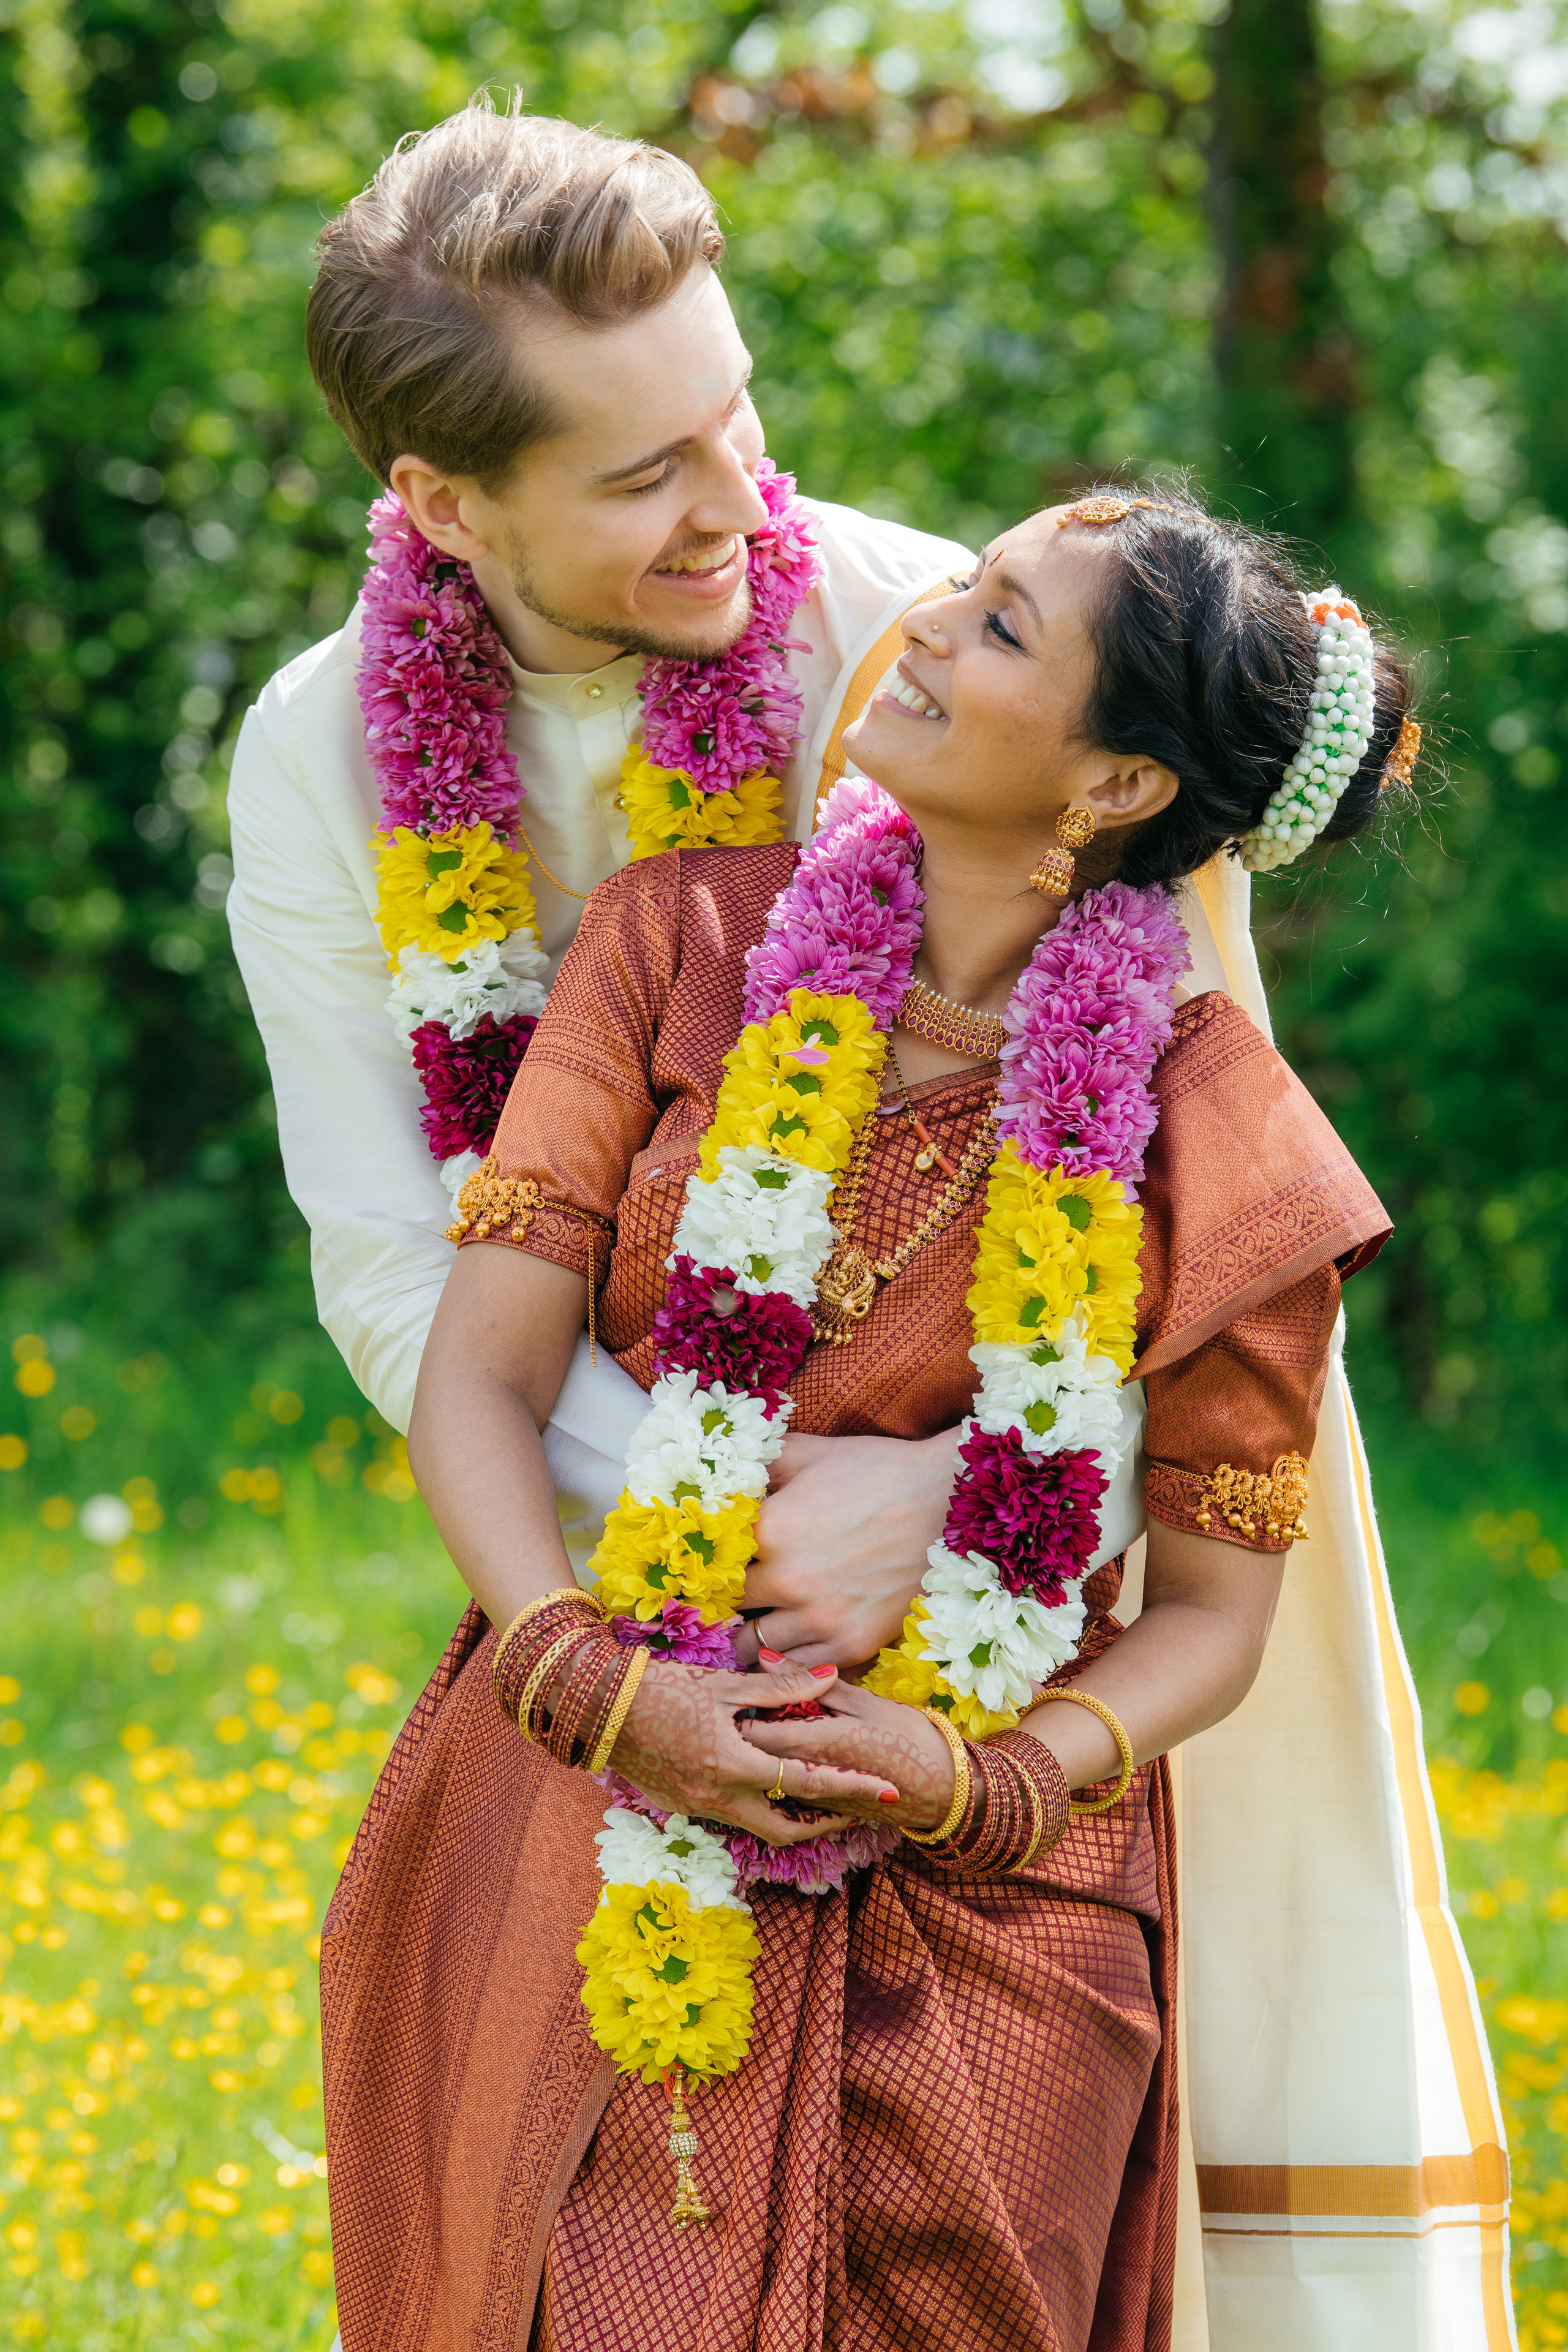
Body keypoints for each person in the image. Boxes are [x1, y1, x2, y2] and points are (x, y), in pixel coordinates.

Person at [315, 492, 1507, 2351]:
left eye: (1007, 627)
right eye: (964, 588)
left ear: (1113, 790)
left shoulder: (1228, 1143)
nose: (932, 629)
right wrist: (586, 1672)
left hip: (982, 1903)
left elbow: (1217, 1610)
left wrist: (982, 1780)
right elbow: (482, 1372)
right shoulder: (677, 943)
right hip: (599, 1774)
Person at [224, 96, 974, 1618]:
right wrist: (703, 1513)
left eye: (736, 410)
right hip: (621, 1570)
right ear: (442, 504)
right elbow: (390, 1258)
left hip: (1021, 1555)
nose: (735, 504)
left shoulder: (938, 644)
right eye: (642, 477)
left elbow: (1184, 1184)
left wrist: (951, 1501)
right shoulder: (317, 754)